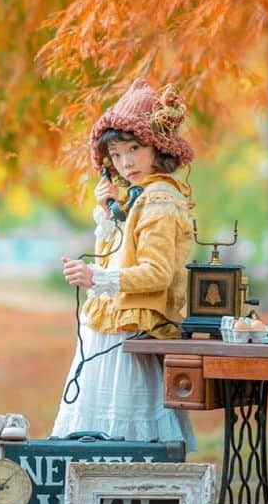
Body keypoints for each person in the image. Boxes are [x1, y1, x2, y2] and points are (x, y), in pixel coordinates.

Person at [51, 78, 197, 451]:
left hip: (132, 331)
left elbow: (157, 272)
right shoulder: (140, 197)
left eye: (134, 148)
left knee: (126, 437)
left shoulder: (160, 198)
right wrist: (109, 213)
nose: (125, 162)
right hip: (113, 330)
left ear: (157, 148)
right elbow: (115, 253)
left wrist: (95, 277)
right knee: (101, 435)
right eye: (115, 155)